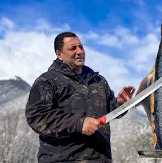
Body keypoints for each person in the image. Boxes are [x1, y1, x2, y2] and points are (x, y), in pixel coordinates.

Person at [25, 31, 135, 163]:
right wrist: (79, 123)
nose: (79, 51)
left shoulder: (98, 81)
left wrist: (120, 104)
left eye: (81, 47)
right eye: (73, 48)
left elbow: (109, 113)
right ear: (59, 54)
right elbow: (37, 117)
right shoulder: (47, 81)